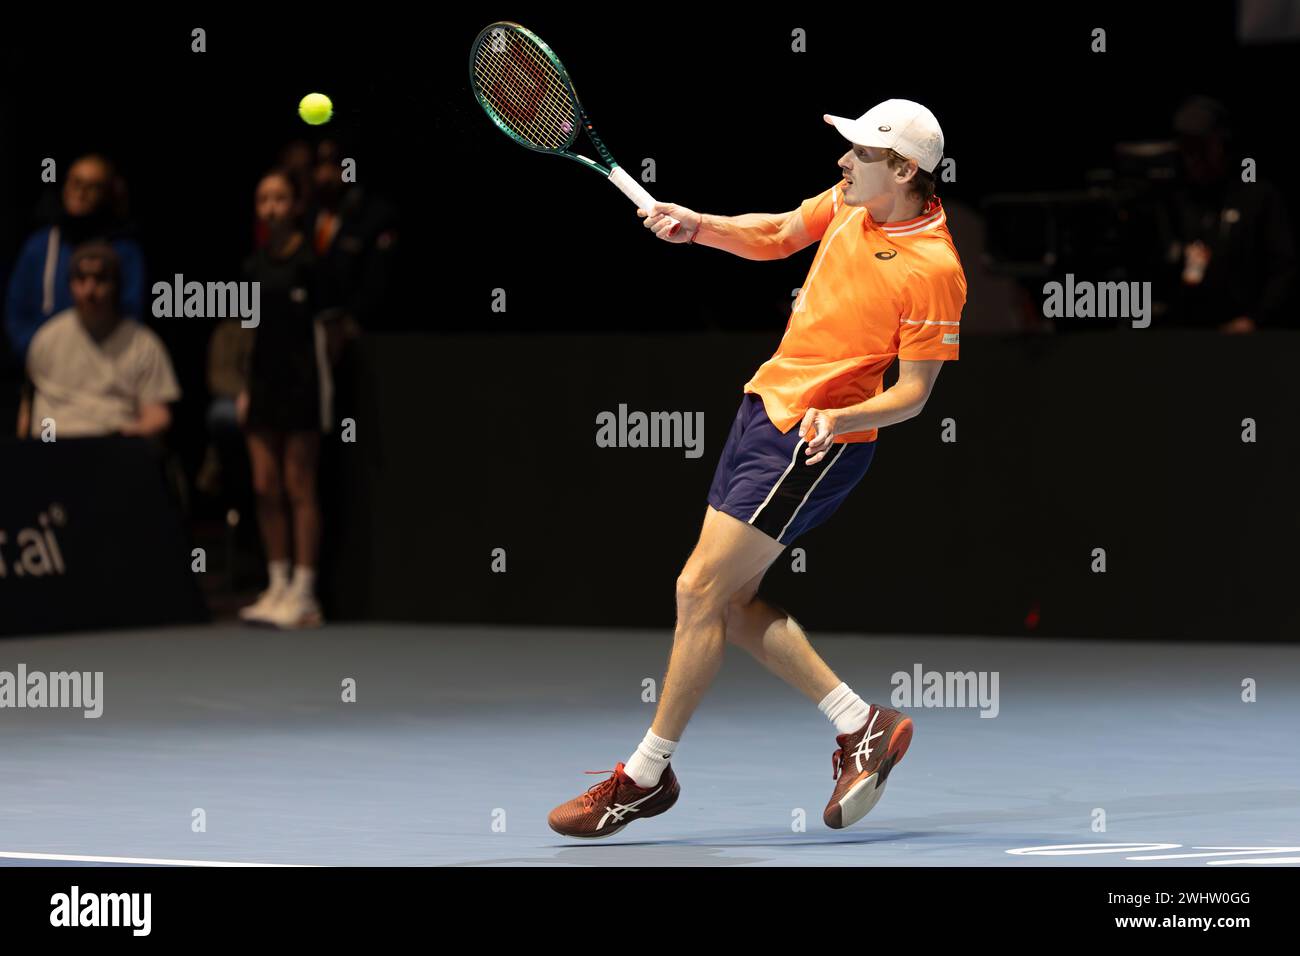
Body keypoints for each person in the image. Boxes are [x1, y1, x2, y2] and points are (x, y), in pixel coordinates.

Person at [547, 100, 966, 837]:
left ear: (905, 170)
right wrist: (697, 226)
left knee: (697, 589)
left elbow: (913, 395)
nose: (843, 161)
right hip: (764, 409)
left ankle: (644, 777)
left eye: (863, 153)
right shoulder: (848, 203)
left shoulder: (934, 269)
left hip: (814, 442)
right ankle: (862, 725)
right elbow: (775, 234)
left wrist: (839, 418)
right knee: (731, 607)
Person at [236, 170, 329, 630]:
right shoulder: (253, 266)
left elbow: (328, 334)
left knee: (299, 487)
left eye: (280, 198)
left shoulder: (310, 263)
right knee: (264, 486)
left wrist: (322, 389)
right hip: (263, 388)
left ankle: (305, 593)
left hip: (303, 388)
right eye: (263, 198)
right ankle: (276, 584)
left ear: (295, 206)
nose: (270, 206)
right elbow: (249, 336)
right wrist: (245, 389)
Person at [17, 241, 178, 439]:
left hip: (114, 445)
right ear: (70, 284)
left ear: (116, 284)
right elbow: (28, 410)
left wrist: (128, 434)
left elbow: (157, 415)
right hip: (54, 444)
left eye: (100, 279)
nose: (90, 290)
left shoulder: (142, 343)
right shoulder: (47, 338)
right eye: (81, 279)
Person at [5, 154, 147, 360]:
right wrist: (40, 351)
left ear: (108, 193)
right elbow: (16, 312)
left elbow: (131, 314)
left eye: (93, 187)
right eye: (76, 183)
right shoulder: (40, 245)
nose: (81, 193)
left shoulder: (123, 251)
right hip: (44, 363)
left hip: (103, 365)